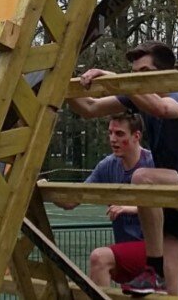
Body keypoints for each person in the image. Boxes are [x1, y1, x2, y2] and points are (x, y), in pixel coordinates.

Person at [66, 42, 178, 295]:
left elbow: (160, 108)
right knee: (169, 284)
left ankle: (152, 268)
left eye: (144, 73)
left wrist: (118, 80)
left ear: (163, 74)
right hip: (177, 199)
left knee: (143, 177)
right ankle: (159, 277)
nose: (137, 80)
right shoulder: (138, 98)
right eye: (134, 74)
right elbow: (90, 108)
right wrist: (63, 84)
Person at [53, 112, 155, 288]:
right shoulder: (108, 166)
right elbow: (72, 201)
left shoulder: (153, 163)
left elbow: (171, 206)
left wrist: (130, 208)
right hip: (126, 249)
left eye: (120, 134)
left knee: (100, 258)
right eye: (110, 133)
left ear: (136, 136)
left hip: (154, 250)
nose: (113, 139)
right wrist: (42, 188)